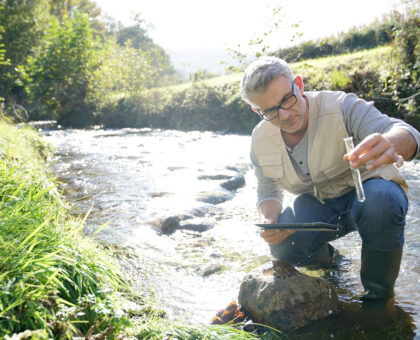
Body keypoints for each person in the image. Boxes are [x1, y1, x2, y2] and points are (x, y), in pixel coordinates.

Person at [240, 56, 420, 302]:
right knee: (282, 246)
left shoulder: (342, 106)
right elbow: (268, 190)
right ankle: (333, 264)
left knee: (382, 202)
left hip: (369, 191)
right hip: (321, 205)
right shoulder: (259, 140)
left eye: (287, 100)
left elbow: (406, 133)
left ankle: (379, 297)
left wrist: (391, 143)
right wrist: (269, 219)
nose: (284, 115)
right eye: (270, 111)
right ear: (256, 110)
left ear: (299, 85)